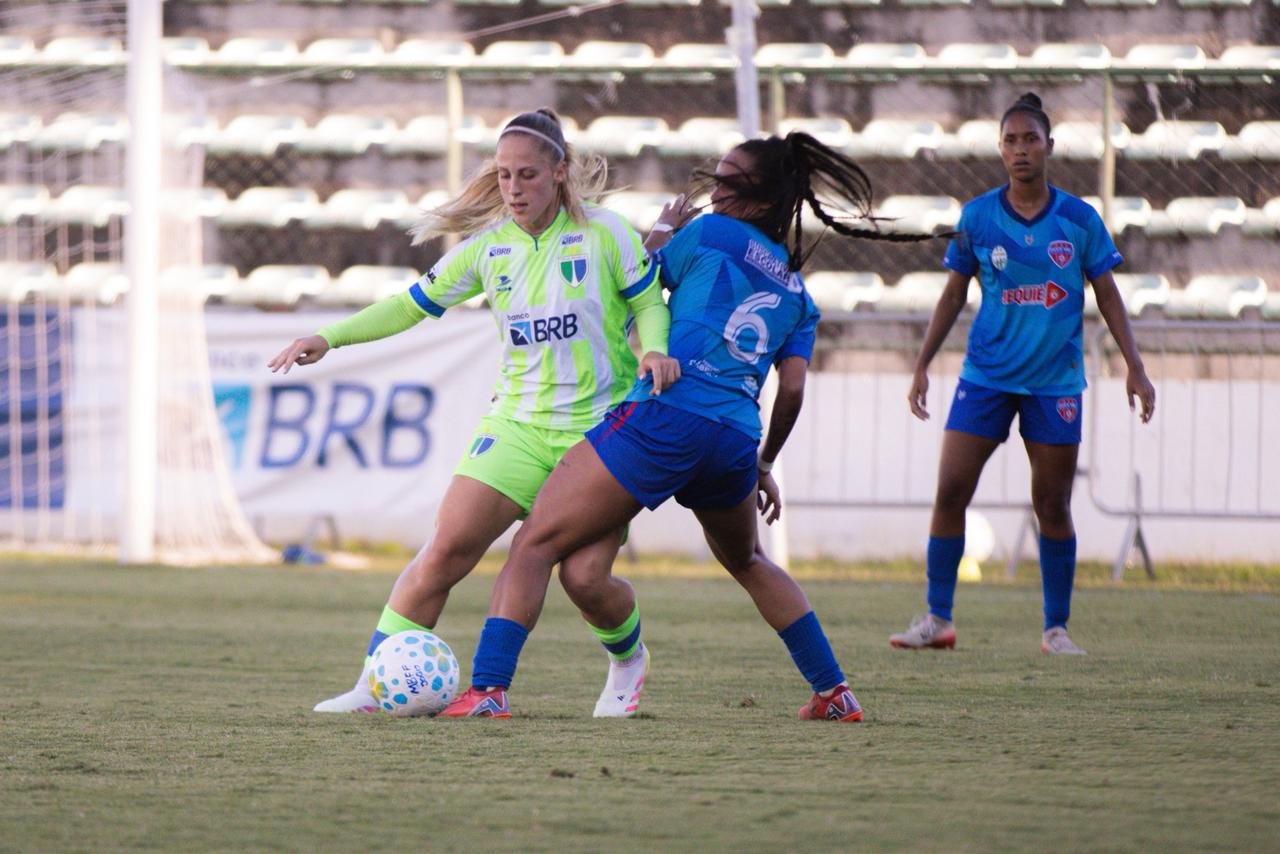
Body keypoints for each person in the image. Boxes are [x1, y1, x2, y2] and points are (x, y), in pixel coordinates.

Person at [438, 131, 939, 722]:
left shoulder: (709, 234)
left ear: (757, 200)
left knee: (533, 542)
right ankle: (834, 691)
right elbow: (795, 387)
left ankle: (490, 689)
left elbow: (633, 285)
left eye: (727, 182)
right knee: (749, 561)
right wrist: (765, 463)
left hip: (666, 415)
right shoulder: (799, 294)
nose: (712, 190)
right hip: (732, 440)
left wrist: (664, 229)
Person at [267, 108, 680, 716]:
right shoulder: (487, 251)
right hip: (515, 425)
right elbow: (409, 307)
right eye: (505, 175)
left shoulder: (607, 235)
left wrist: (654, 350)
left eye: (528, 176)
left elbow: (648, 304)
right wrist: (329, 338)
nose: (513, 189)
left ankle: (627, 659)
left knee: (586, 580)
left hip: (599, 433)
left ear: (560, 173)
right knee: (446, 548)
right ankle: (372, 684)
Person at [889, 93, 1156, 656]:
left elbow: (1107, 293)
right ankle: (938, 619)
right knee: (950, 491)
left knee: (1052, 505)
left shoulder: (1079, 220)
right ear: (999, 149)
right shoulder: (978, 217)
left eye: (1030, 138)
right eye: (1010, 140)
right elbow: (954, 293)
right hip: (985, 376)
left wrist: (1135, 366)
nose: (1020, 149)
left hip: (1055, 384)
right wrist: (921, 363)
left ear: (1049, 146)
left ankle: (1055, 628)